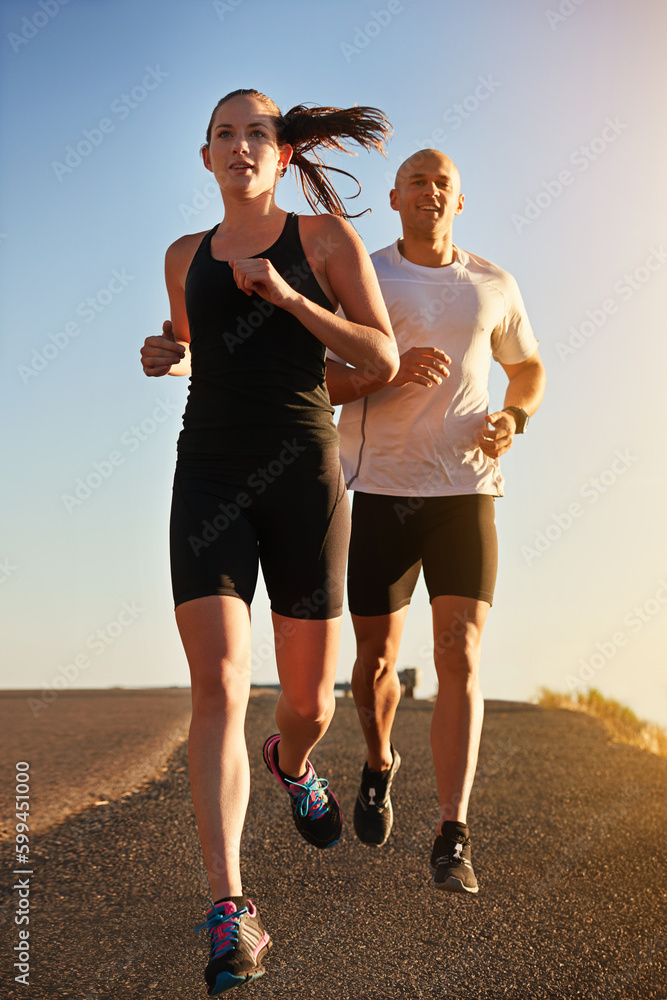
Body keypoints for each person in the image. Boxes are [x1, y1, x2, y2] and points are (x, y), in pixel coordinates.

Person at [140, 88, 398, 995]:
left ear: (280, 155)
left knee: (308, 706)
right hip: (207, 476)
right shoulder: (183, 256)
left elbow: (380, 357)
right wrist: (166, 351)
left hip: (302, 479)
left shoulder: (323, 240)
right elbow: (193, 342)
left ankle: (292, 764)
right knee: (215, 683)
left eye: (258, 134)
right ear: (204, 155)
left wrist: (289, 296)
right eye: (225, 134)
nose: (241, 146)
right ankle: (231, 911)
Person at [326, 148, 546, 894]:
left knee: (459, 656)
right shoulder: (366, 276)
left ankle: (453, 832)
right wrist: (381, 372)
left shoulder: (493, 283)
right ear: (393, 198)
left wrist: (513, 416)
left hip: (465, 491)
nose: (430, 191)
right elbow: (312, 376)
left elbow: (528, 367)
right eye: (416, 181)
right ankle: (379, 761)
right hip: (380, 490)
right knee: (378, 666)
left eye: (442, 182)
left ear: (460, 201)